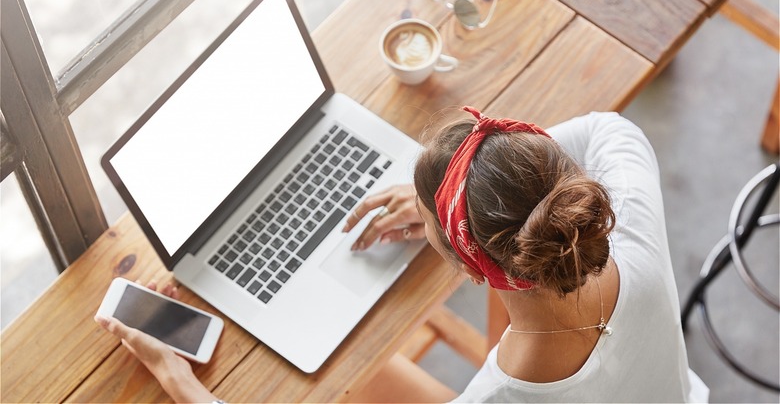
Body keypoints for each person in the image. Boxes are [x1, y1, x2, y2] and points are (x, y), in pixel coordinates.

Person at [97, 107, 707, 403]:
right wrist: (467, 203)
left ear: (473, 269)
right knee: (364, 381)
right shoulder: (637, 244)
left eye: (433, 227)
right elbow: (612, 130)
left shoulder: (499, 397)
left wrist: (183, 384)